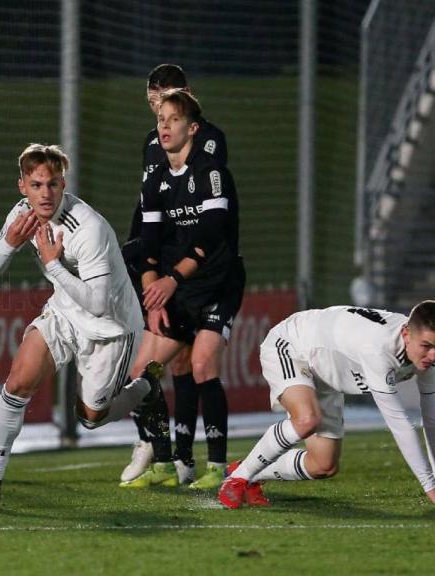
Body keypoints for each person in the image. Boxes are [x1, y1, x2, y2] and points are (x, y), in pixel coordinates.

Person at [0, 143, 161, 509]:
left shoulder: (88, 228)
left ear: (63, 183)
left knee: (91, 418)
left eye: (52, 184)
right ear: (23, 187)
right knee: (17, 383)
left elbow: (97, 303)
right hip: (64, 313)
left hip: (110, 326)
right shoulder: (22, 214)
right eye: (36, 185)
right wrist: (9, 244)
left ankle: (146, 389)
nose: (45, 194)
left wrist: (52, 266)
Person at [120, 89, 243, 490]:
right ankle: (163, 461)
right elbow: (150, 240)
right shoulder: (155, 181)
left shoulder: (211, 172)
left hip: (217, 283)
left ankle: (217, 467)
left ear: (192, 129)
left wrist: (172, 280)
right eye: (161, 120)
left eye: (174, 119)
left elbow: (211, 235)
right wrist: (152, 292)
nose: (165, 126)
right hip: (178, 289)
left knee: (204, 363)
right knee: (141, 373)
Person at [218, 302, 435, 508]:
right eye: (426, 346)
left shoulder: (426, 356)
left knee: (323, 466)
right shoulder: (378, 349)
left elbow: (432, 419)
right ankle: (237, 479)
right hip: (292, 345)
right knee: (306, 420)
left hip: (327, 372)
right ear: (406, 334)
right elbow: (399, 424)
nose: (432, 355)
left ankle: (249, 471)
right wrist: (430, 486)